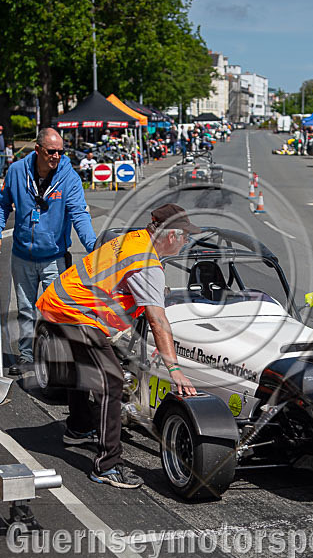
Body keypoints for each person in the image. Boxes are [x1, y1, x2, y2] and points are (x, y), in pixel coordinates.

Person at [36, 203, 199, 489]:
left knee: (84, 367)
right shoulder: (147, 264)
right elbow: (158, 320)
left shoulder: (134, 238)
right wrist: (174, 369)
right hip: (75, 313)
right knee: (111, 382)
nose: (186, 242)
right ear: (172, 236)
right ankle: (107, 466)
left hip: (58, 302)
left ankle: (78, 427)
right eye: (185, 237)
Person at [0, 127, 96, 376]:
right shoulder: (16, 171)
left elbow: (79, 213)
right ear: (37, 150)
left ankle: (56, 359)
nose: (56, 156)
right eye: (51, 152)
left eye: (60, 151)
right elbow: (2, 203)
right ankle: (27, 356)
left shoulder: (69, 177)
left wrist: (92, 246)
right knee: (26, 310)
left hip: (54, 257)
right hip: (22, 255)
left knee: (56, 310)